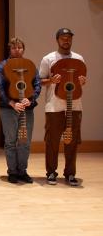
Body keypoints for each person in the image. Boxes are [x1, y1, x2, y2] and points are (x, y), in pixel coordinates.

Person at [39, 28, 87, 186]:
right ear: (57, 40)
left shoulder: (79, 59)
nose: (66, 41)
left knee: (72, 141)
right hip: (54, 106)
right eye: (63, 38)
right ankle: (51, 172)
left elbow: (82, 81)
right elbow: (39, 81)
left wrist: (82, 81)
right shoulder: (48, 59)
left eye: (69, 38)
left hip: (75, 105)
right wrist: (51, 81)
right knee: (52, 141)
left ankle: (70, 173)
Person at [0, 37, 41, 184]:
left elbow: (37, 84)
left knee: (25, 141)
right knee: (10, 141)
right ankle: (12, 172)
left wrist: (31, 99)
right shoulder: (2, 66)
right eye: (14, 47)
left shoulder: (30, 65)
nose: (17, 50)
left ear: (23, 49)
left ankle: (22, 171)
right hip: (9, 109)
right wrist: (12, 103)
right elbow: (0, 88)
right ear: (10, 49)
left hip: (27, 109)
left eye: (20, 47)